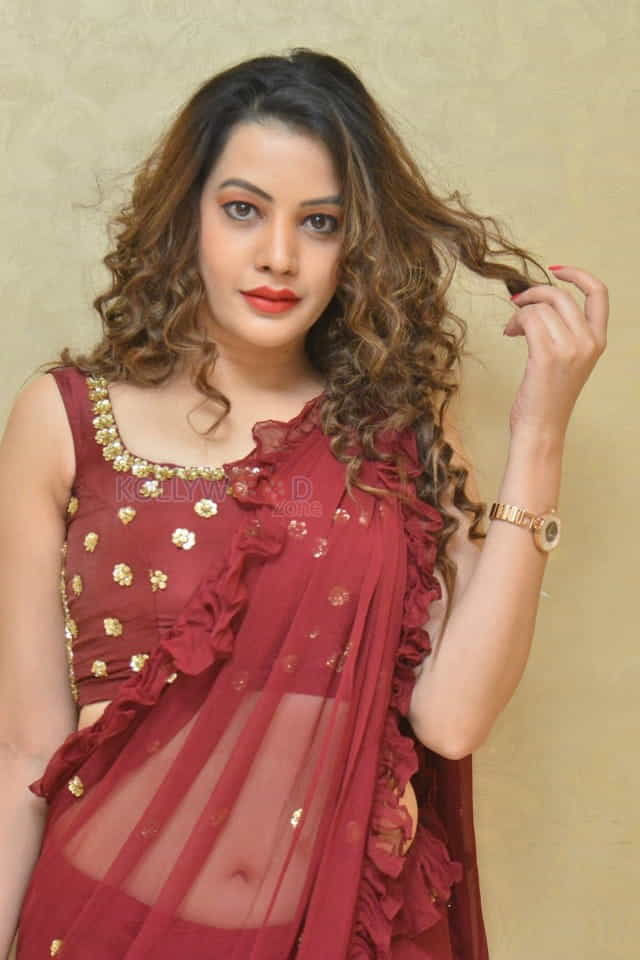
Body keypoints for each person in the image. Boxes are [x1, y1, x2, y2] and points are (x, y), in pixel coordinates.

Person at [0, 47, 608, 960]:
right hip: (108, 926)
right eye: (243, 209)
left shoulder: (395, 429)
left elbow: (453, 719)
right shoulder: (67, 419)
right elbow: (22, 748)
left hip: (347, 925)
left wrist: (541, 437)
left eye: (319, 222)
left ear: (354, 244)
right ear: (187, 215)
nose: (278, 256)